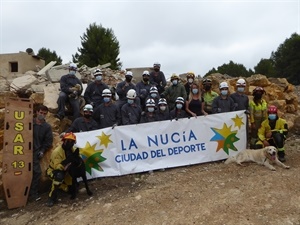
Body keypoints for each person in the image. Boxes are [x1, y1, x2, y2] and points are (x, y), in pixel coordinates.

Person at [46, 132, 77, 207]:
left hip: (67, 171)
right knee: (58, 177)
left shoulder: (73, 150)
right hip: (54, 171)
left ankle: (63, 186)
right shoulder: (57, 152)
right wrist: (67, 166)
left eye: (72, 141)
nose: (70, 143)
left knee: (72, 189)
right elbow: (57, 166)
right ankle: (51, 198)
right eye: (68, 141)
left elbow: (76, 159)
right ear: (64, 141)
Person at [30, 105, 53, 202]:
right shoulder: (29, 122)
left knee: (37, 172)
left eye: (44, 114)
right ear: (36, 112)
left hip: (35, 152)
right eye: (41, 113)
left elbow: (48, 141)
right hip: (22, 151)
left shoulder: (47, 127)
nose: (42, 115)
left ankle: (33, 194)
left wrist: (42, 150)